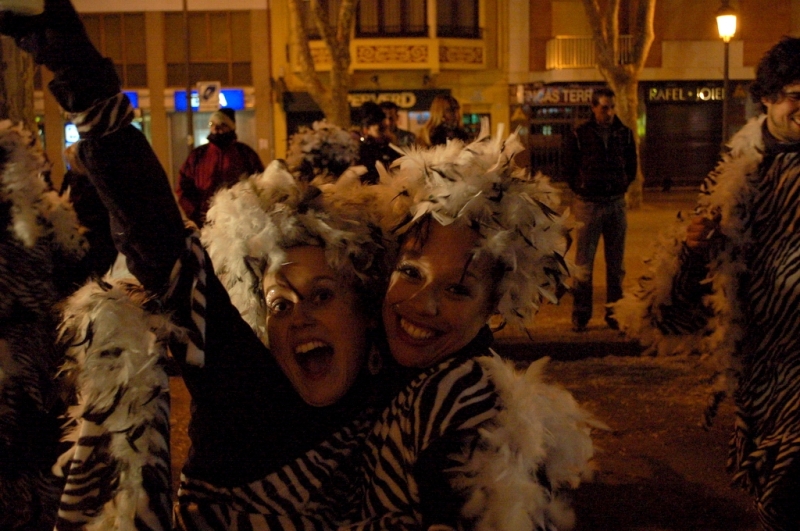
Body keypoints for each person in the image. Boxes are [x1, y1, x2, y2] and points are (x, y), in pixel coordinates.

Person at [0, 2, 403, 528]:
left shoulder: (401, 400)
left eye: (323, 295)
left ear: (365, 312)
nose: (298, 315)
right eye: (280, 302)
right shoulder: (243, 381)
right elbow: (158, 242)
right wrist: (81, 74)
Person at [345, 127, 604, 530]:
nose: (421, 303)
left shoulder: (463, 396)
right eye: (411, 272)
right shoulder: (384, 366)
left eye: (458, 289)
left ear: (492, 307)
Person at [613, 36, 800, 531]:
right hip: (764, 358)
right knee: (777, 485)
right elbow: (696, 279)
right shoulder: (738, 169)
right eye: (794, 95)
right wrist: (693, 248)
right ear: (767, 97)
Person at [563, 87, 637, 332]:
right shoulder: (579, 134)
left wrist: (622, 184)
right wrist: (581, 187)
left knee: (616, 264)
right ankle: (581, 314)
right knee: (584, 262)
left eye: (612, 107)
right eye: (604, 107)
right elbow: (568, 166)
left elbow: (631, 164)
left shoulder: (623, 133)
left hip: (615, 202)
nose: (609, 112)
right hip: (589, 204)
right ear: (593, 107)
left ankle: (614, 313)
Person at [176, 107, 264, 226]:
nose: (216, 128)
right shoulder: (198, 155)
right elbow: (184, 185)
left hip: (239, 220)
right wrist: (194, 212)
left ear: (231, 127)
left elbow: (260, 184)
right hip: (205, 220)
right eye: (212, 124)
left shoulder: (245, 154)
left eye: (222, 124)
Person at [356, 101, 401, 184]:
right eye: (380, 130)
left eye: (385, 128)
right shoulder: (362, 151)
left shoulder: (390, 149)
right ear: (366, 129)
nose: (385, 133)